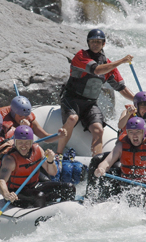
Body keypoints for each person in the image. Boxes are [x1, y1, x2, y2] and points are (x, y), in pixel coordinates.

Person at [56, 28, 135, 160]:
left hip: (90, 104)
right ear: (88, 43)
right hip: (72, 100)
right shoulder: (81, 56)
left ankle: (96, 162)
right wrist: (121, 61)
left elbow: (121, 88)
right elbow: (96, 70)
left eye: (98, 42)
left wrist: (138, 99)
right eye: (92, 42)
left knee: (98, 129)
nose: (95, 44)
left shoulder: (108, 64)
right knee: (72, 119)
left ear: (103, 44)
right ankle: (58, 154)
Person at [0, 125, 76, 208]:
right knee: (39, 196)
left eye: (27, 142)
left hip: (34, 186)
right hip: (17, 192)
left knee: (69, 187)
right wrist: (7, 194)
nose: (24, 146)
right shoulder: (10, 160)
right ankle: (42, 218)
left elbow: (53, 172)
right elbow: (1, 180)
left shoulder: (38, 150)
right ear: (15, 142)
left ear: (31, 142)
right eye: (20, 142)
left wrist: (50, 161)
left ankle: (64, 212)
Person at [0, 95, 67, 142]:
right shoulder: (0, 118)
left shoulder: (29, 119)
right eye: (21, 116)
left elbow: (45, 137)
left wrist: (58, 135)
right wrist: (23, 129)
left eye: (26, 115)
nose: (24, 118)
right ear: (13, 113)